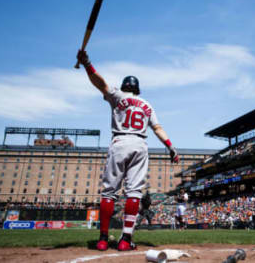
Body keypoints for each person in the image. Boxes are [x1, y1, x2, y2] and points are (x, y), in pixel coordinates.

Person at [77, 50, 179, 251]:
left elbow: (100, 83)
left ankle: (103, 239)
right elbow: (157, 128)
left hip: (120, 141)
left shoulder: (118, 95)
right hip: (140, 144)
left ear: (124, 86)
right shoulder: (147, 104)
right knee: (134, 193)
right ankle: (125, 240)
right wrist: (170, 147)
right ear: (138, 89)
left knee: (109, 192)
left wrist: (87, 64)